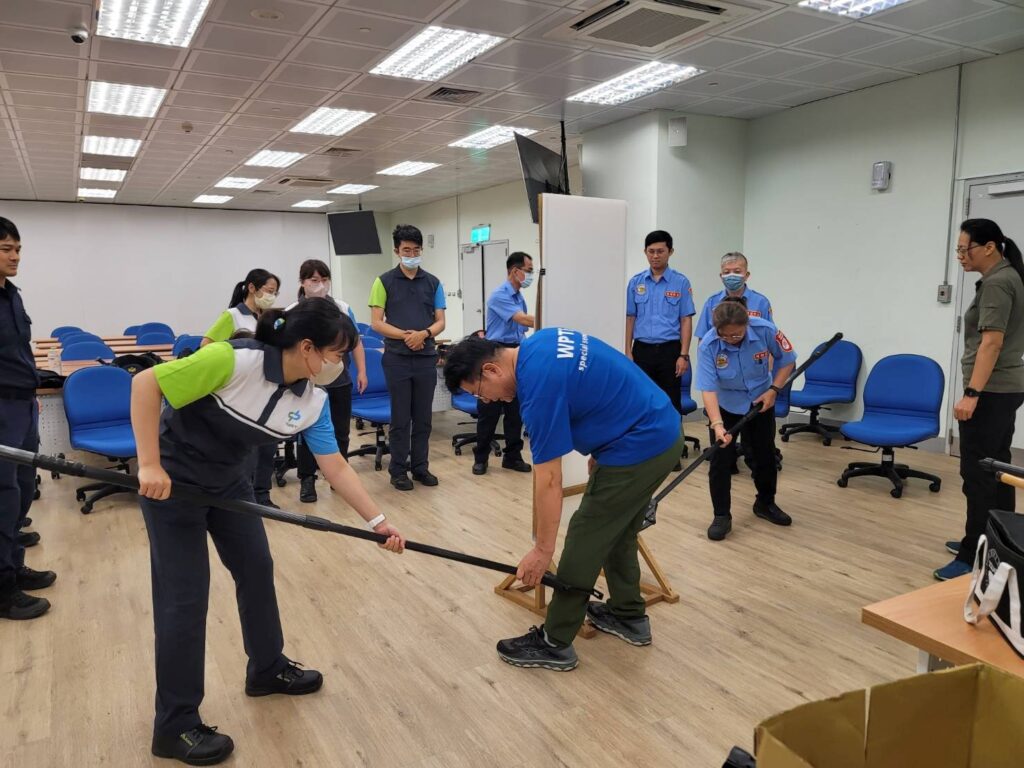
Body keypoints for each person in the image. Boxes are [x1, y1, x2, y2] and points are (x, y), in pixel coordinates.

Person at [131, 298, 404, 766]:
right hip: (175, 484)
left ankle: (267, 668)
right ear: (307, 348)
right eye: (337, 354)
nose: (339, 365)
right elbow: (145, 383)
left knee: (257, 569)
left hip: (230, 482)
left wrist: (378, 522)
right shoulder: (232, 359)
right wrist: (150, 464)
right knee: (184, 598)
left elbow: (336, 466)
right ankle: (174, 724)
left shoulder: (312, 400)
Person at [443, 329, 683, 671]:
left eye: (479, 392)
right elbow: (601, 385)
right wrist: (603, 446)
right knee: (617, 532)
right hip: (660, 429)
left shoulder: (537, 391)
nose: (487, 401)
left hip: (641, 444)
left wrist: (543, 551)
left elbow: (550, 480)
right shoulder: (539, 343)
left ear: (491, 370)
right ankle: (628, 615)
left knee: (585, 534)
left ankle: (555, 641)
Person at [935, 219, 1024, 581]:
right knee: (998, 468)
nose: (960, 256)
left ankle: (974, 551)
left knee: (978, 473)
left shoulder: (998, 283)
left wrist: (971, 394)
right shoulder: (1007, 276)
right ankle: (1001, 541)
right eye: (958, 249)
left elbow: (992, 342)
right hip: (1005, 388)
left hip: (989, 391)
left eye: (964, 249)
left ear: (989, 247)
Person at [697, 298, 796, 541]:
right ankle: (721, 515)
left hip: (761, 401)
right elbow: (708, 389)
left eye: (736, 334)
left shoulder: (765, 330)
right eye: (725, 335)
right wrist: (717, 425)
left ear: (746, 324)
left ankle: (765, 503)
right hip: (727, 405)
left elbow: (787, 360)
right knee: (720, 461)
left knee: (764, 455)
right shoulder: (709, 344)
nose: (731, 339)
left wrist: (774, 390)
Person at [0, 216, 56, 621]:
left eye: (18, 249)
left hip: (22, 405)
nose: (16, 256)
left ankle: (13, 566)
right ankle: (2, 589)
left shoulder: (12, 296)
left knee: (21, 491)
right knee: (1, 498)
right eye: (7, 249)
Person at [369, 224, 446, 491]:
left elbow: (440, 321)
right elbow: (377, 322)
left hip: (425, 357)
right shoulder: (383, 281)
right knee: (401, 418)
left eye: (416, 250)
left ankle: (420, 467)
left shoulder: (433, 282)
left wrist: (424, 334)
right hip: (397, 358)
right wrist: (406, 336)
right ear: (397, 251)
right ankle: (398, 470)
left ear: (421, 250)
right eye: (406, 250)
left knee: (423, 418)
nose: (411, 254)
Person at [201, 269, 281, 507]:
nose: (272, 296)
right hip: (242, 389)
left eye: (275, 293)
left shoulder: (271, 316)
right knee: (247, 449)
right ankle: (244, 498)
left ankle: (263, 495)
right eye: (269, 291)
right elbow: (206, 346)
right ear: (252, 288)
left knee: (268, 445)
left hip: (269, 386)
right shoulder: (233, 315)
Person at [292, 259, 367, 503]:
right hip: (307, 381)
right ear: (303, 282)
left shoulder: (342, 308)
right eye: (314, 280)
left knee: (341, 430)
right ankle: (307, 479)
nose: (320, 285)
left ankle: (339, 478)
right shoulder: (293, 310)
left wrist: (362, 371)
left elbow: (356, 342)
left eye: (324, 280)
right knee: (307, 431)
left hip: (339, 378)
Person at [625, 230, 695, 470]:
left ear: (670, 252)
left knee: (670, 403)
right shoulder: (636, 282)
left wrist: (683, 354)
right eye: (651, 251)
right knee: (642, 402)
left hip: (670, 351)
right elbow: (630, 318)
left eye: (660, 251)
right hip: (642, 350)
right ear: (645, 252)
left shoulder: (681, 282)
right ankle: (645, 453)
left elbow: (686, 320)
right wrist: (627, 350)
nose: (655, 256)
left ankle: (671, 455)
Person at [473, 252, 534, 476]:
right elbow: (523, 320)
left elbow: (521, 330)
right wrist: (551, 318)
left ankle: (513, 457)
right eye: (528, 270)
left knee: (515, 411)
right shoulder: (500, 295)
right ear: (515, 271)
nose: (530, 275)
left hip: (515, 353)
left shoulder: (519, 297)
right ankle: (481, 458)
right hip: (496, 352)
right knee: (489, 410)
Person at [694, 252, 773, 338]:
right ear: (721, 276)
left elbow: (770, 334)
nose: (731, 275)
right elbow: (703, 337)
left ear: (746, 275)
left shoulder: (761, 302)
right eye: (726, 272)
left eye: (737, 271)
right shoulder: (712, 302)